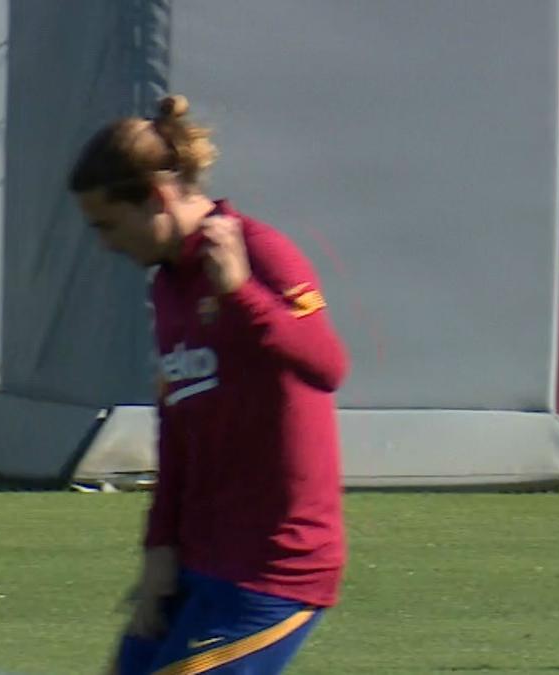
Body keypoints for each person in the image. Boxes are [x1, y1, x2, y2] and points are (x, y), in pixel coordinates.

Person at [68, 94, 348, 674]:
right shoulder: (167, 286)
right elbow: (178, 430)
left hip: (273, 569)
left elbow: (327, 366)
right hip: (198, 564)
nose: (105, 244)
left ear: (156, 198)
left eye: (108, 225)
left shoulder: (258, 251)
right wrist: (159, 551)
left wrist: (242, 294)